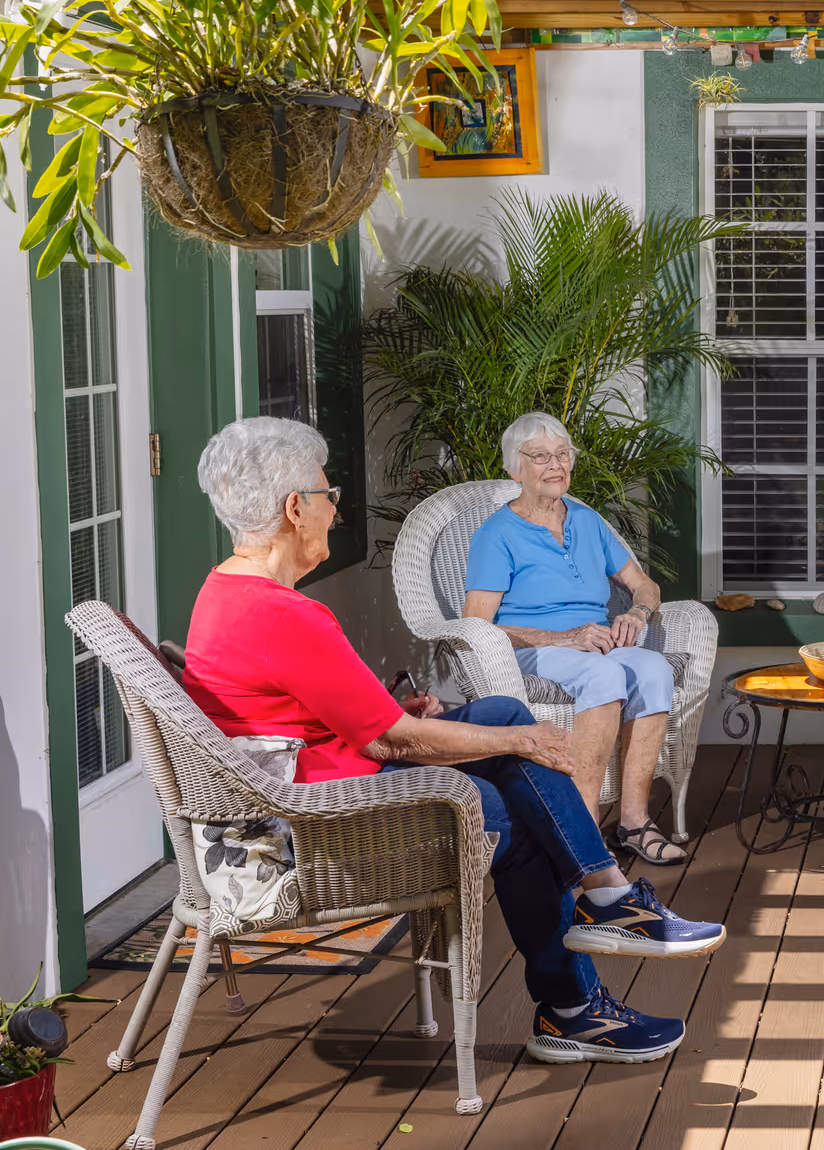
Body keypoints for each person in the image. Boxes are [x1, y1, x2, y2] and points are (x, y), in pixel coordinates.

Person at [181, 417, 724, 1065]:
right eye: (329, 495)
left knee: (496, 709)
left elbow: (326, 716)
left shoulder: (229, 592)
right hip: (323, 824)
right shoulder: (285, 613)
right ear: (295, 508)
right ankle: (577, 999)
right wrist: (525, 741)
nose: (335, 508)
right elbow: (396, 744)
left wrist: (426, 714)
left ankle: (605, 901)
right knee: (520, 814)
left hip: (312, 782)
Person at [462, 412, 685, 867]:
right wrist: (563, 637)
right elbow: (476, 624)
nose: (555, 465)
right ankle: (582, 833)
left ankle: (634, 821)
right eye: (540, 456)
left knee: (655, 668)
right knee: (603, 674)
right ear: (514, 468)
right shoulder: (497, 534)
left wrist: (637, 614)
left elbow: (646, 586)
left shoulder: (587, 521)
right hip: (532, 651)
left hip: (595, 643)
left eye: (563, 454)